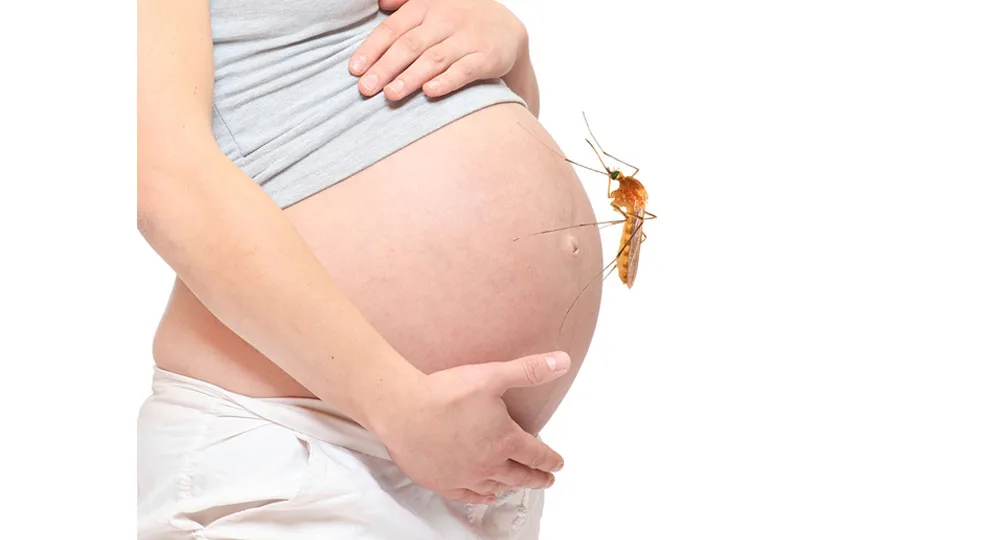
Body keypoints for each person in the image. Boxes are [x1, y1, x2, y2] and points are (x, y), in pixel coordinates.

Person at [137, 0, 605, 537]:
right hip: (298, 450)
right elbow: (163, 182)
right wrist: (394, 405)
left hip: (462, 460)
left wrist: (508, 48)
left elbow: (430, 111)